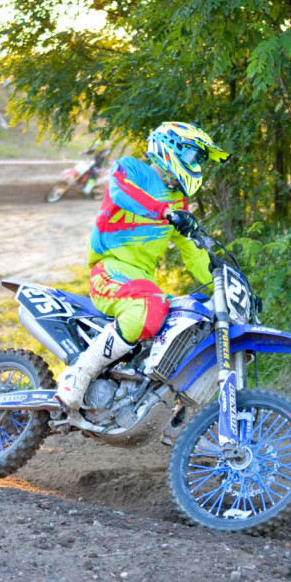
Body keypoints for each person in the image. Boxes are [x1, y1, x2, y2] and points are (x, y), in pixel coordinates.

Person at [56, 122, 229, 409]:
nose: (197, 164)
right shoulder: (131, 170)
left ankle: (179, 413)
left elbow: (194, 254)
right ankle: (80, 372)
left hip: (140, 281)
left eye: (200, 160)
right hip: (109, 271)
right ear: (170, 147)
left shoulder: (178, 202)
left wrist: (224, 282)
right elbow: (124, 193)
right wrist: (165, 212)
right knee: (150, 303)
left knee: (195, 316)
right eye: (193, 156)